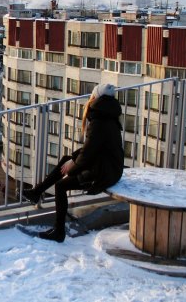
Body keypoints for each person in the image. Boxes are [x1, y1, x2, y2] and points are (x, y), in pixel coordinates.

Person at [22, 83, 124, 242]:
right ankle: (37, 192)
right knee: (65, 160)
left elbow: (89, 153)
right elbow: (93, 148)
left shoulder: (99, 120)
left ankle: (59, 232)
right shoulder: (108, 114)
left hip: (104, 172)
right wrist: (72, 161)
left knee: (61, 186)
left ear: (95, 98)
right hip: (108, 166)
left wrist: (73, 165)